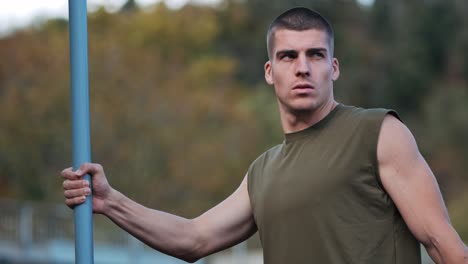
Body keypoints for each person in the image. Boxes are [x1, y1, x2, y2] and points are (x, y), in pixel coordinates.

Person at [61, 7, 467, 264]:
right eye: (289, 56)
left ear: (334, 68)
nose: (303, 68)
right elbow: (194, 238)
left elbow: (442, 244)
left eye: (316, 55)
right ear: (271, 72)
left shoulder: (378, 132)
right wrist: (111, 202)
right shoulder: (263, 171)